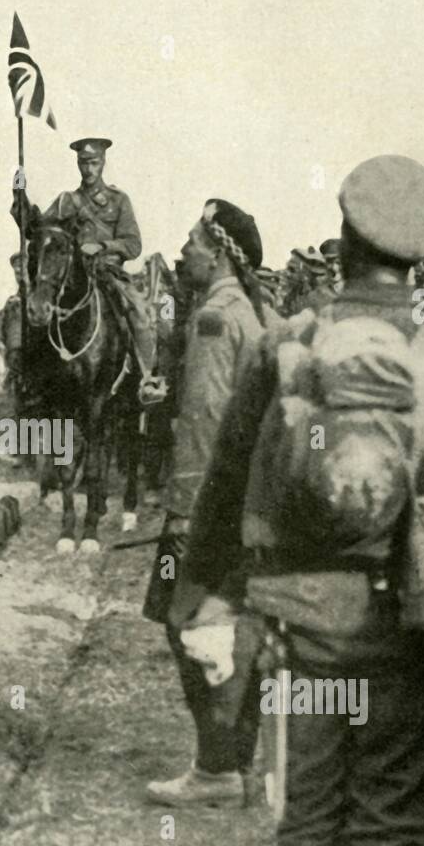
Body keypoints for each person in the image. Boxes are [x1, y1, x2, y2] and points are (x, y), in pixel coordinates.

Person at [178, 154, 424, 846]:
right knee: (384, 807)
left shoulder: (286, 341)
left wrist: (204, 597)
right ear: (419, 262)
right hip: (402, 623)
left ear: (340, 243)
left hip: (296, 623)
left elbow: (224, 485)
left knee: (311, 802)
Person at [143, 198, 272, 805]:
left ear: (219, 250)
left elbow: (205, 421)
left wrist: (185, 511)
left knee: (184, 623)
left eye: (194, 237)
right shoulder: (248, 311)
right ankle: (238, 762)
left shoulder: (215, 318)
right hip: (241, 502)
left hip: (204, 508)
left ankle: (218, 768)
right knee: (225, 628)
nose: (185, 247)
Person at [14, 138, 166, 406]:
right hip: (72, 277)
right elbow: (35, 230)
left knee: (137, 309)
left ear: (103, 162)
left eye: (94, 162)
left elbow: (133, 244)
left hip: (108, 271)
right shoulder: (65, 202)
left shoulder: (119, 201)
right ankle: (31, 379)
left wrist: (103, 246)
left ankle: (147, 379)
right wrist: (20, 198)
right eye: (84, 162)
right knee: (38, 309)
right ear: (78, 164)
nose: (89, 168)